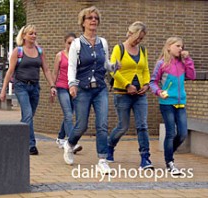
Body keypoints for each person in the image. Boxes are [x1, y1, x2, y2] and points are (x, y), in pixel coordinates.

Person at [63, 6, 113, 174]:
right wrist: (72, 84)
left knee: (102, 124)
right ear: (83, 22)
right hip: (83, 89)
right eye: (90, 18)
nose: (93, 20)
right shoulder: (76, 44)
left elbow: (106, 64)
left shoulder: (103, 42)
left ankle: (102, 159)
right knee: (81, 125)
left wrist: (114, 66)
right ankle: (69, 144)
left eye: (96, 18)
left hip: (100, 88)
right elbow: (71, 67)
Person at [0, 24, 57, 155]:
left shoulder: (40, 51)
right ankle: (31, 145)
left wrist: (52, 86)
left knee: (28, 118)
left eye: (35, 33)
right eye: (31, 33)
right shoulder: (18, 51)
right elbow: (10, 72)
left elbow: (46, 70)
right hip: (21, 86)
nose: (34, 36)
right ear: (24, 35)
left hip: (35, 87)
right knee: (28, 115)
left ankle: (17, 135)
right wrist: (3, 90)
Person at [106, 21, 153, 170]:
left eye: (141, 39)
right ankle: (109, 146)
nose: (139, 41)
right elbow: (113, 70)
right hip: (122, 93)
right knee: (123, 126)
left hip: (140, 95)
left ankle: (145, 158)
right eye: (138, 37)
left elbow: (145, 69)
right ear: (131, 33)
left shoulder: (143, 50)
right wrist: (127, 85)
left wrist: (146, 84)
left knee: (142, 125)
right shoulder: (118, 49)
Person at [150, 37, 195, 174]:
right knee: (171, 133)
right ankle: (169, 162)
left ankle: (169, 152)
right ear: (169, 47)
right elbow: (153, 82)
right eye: (178, 46)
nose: (181, 48)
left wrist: (188, 60)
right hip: (167, 103)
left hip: (181, 103)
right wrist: (159, 91)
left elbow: (192, 76)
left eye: (182, 46)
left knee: (182, 134)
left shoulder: (183, 63)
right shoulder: (161, 63)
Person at [53, 33, 82, 154]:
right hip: (62, 87)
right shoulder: (59, 55)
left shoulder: (78, 57)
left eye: (73, 43)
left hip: (74, 88)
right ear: (65, 43)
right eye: (69, 43)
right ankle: (72, 142)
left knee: (69, 115)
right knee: (68, 115)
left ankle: (60, 138)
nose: (71, 45)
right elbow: (55, 73)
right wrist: (52, 87)